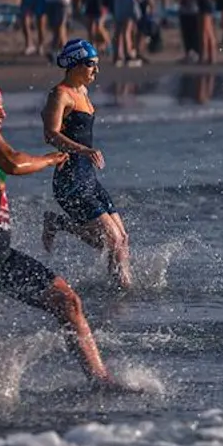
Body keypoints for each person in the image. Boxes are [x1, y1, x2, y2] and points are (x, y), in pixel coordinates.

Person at [0, 76, 113, 384]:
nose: (3, 115)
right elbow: (14, 163)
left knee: (67, 302)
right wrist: (48, 159)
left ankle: (101, 381)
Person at [42, 39, 132, 289]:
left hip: (88, 177)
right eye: (91, 65)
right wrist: (83, 149)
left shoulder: (83, 91)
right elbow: (50, 134)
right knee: (111, 241)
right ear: (75, 64)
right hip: (69, 180)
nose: (96, 70)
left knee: (122, 238)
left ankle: (125, 293)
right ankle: (120, 292)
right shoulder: (60, 94)